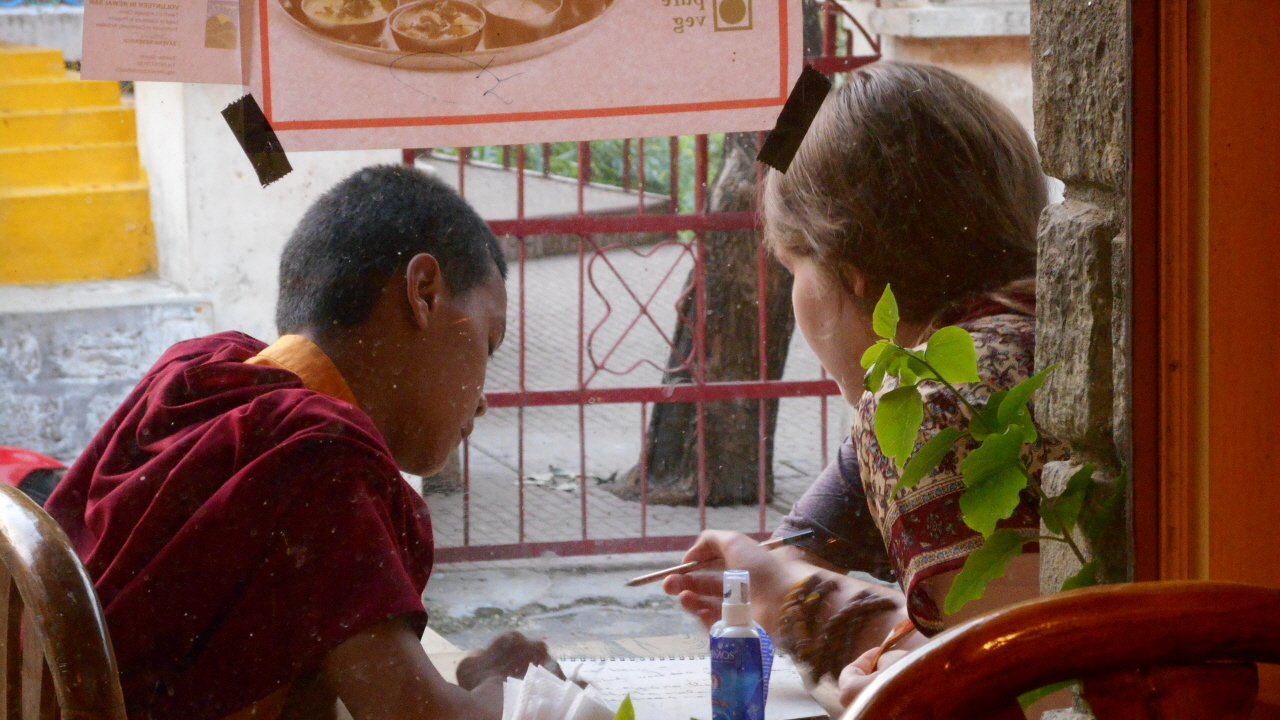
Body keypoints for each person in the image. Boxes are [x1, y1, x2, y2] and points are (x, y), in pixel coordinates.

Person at [46, 165, 553, 720]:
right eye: (489, 340)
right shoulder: (319, 458)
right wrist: (519, 685)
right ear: (424, 293)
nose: (482, 399)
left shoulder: (195, 376)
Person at [663, 62, 1069, 707]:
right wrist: (788, 579)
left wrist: (805, 614)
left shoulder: (933, 401)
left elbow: (1022, 692)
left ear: (852, 276)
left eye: (794, 267)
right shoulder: (1055, 329)